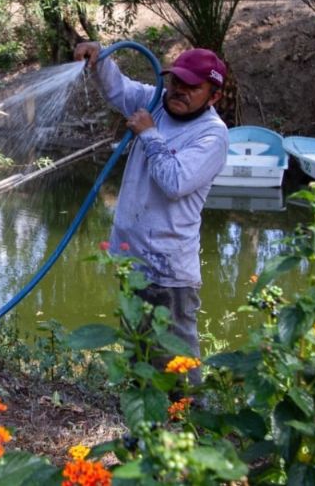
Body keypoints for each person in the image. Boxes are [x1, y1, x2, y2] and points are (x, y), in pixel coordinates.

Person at [73, 42, 229, 385]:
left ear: (214, 96)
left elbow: (174, 182)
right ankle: (143, 427)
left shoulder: (212, 135)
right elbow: (119, 89)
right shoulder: (156, 101)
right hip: (132, 260)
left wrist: (148, 134)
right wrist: (100, 60)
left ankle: (191, 422)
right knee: (138, 353)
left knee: (178, 362)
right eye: (176, 82)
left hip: (169, 270)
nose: (179, 92)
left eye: (192, 87)